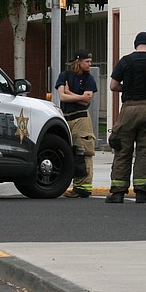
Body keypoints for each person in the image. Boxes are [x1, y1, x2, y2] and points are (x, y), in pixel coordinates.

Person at [106, 31, 146, 204]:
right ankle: (141, 192)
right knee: (144, 150)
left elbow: (113, 86)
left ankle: (118, 193)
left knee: (122, 150)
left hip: (128, 110)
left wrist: (127, 88)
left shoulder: (125, 61)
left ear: (135, 44)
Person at [57, 49, 98, 198]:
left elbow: (86, 100)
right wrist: (76, 96)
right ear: (78, 61)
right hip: (67, 118)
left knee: (84, 151)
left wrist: (70, 93)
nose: (90, 64)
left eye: (90, 61)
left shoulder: (89, 79)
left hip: (81, 118)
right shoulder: (64, 75)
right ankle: (75, 184)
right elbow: (61, 97)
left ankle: (84, 187)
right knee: (70, 152)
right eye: (87, 61)